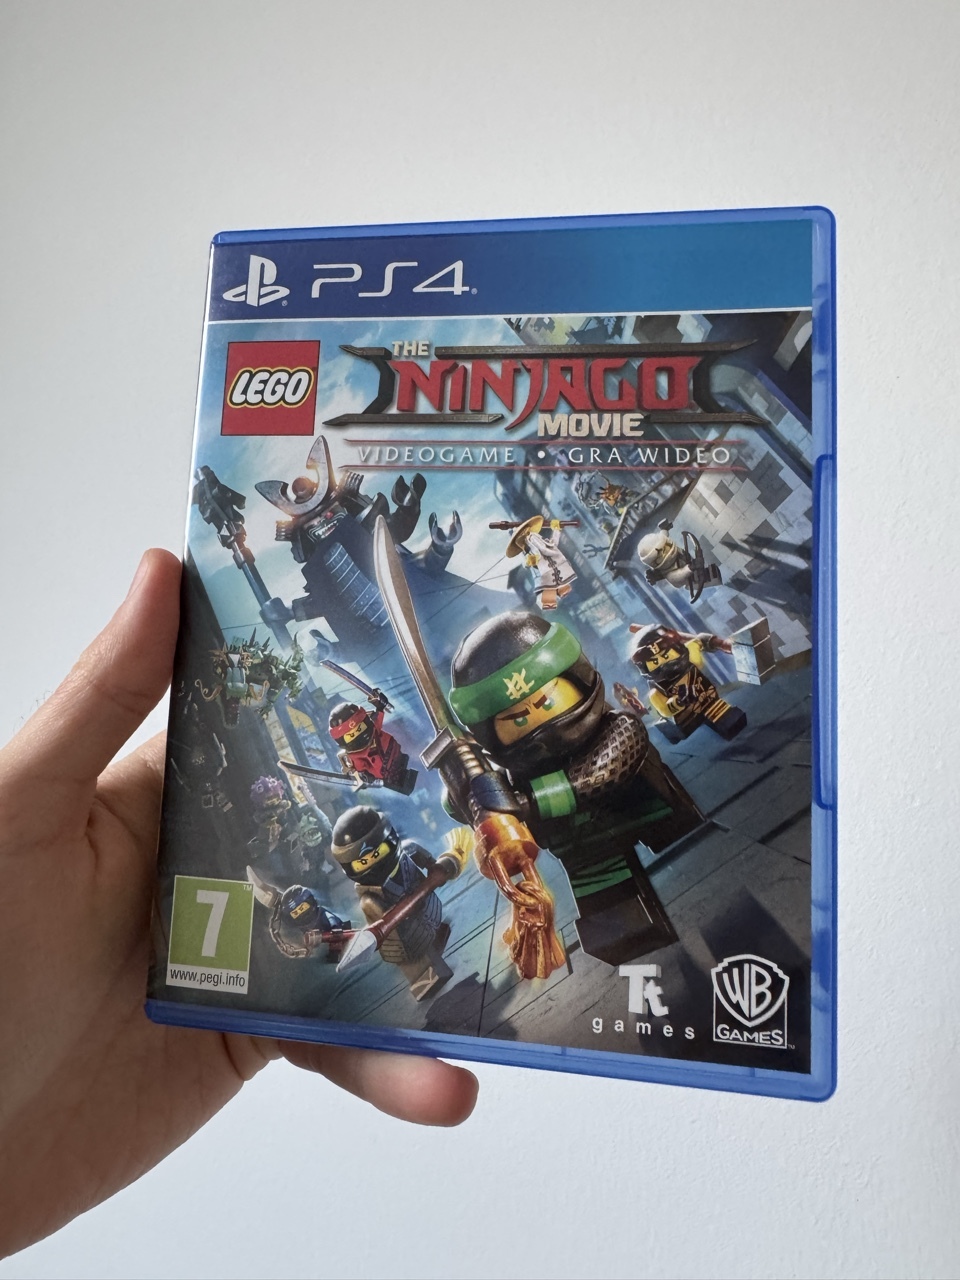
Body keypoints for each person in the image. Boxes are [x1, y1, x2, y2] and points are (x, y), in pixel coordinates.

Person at [0, 550, 478, 1260]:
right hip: (262, 862)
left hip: (369, 803)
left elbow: (371, 757)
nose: (349, 734)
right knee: (360, 923)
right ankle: (403, 957)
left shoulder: (353, 757)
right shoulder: (309, 832)